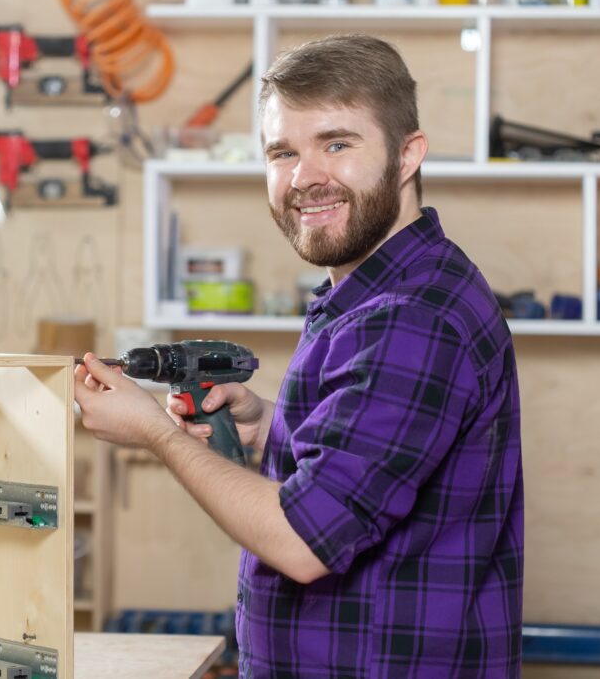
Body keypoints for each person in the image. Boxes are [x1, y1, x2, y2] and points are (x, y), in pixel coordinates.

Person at [75, 34, 523, 677]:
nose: (306, 177)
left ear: (407, 156)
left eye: (337, 144)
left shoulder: (411, 318)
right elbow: (381, 452)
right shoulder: (378, 291)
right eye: (283, 151)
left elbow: (303, 540)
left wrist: (155, 433)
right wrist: (272, 426)